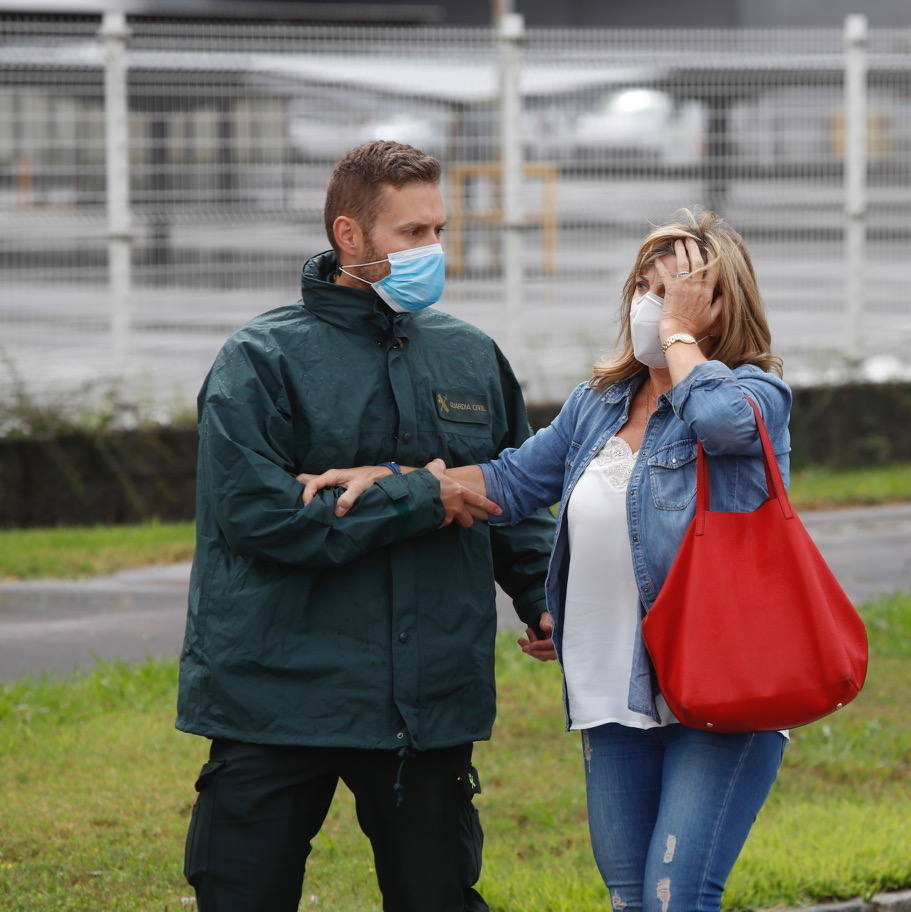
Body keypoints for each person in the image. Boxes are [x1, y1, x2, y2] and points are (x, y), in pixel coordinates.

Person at [301, 209, 791, 912]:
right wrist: (387, 476)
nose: (653, 305)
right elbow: (507, 483)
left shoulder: (756, 396)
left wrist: (681, 339)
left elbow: (715, 424)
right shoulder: (599, 405)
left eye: (678, 290)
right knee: (630, 897)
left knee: (675, 897)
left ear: (723, 304)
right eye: (646, 289)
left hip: (722, 685)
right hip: (612, 686)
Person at [176, 140, 555, 912]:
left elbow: (515, 503)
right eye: (412, 234)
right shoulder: (260, 358)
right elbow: (261, 518)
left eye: (439, 231)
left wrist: (549, 595)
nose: (434, 251)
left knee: (437, 898)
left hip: (428, 703)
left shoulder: (471, 356)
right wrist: (423, 494)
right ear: (350, 236)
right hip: (275, 699)